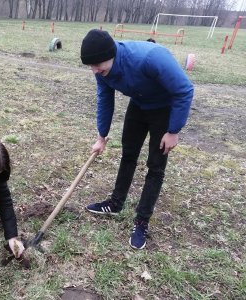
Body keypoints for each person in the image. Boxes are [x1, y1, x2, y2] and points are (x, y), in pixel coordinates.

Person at [80, 29, 194, 250]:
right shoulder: (102, 72)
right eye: (90, 66)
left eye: (97, 64)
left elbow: (184, 90)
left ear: (110, 55)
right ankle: (115, 203)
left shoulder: (150, 58)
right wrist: (101, 135)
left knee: (155, 166)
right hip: (139, 105)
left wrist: (173, 130)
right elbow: (105, 99)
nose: (94, 70)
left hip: (164, 109)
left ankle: (142, 220)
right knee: (128, 154)